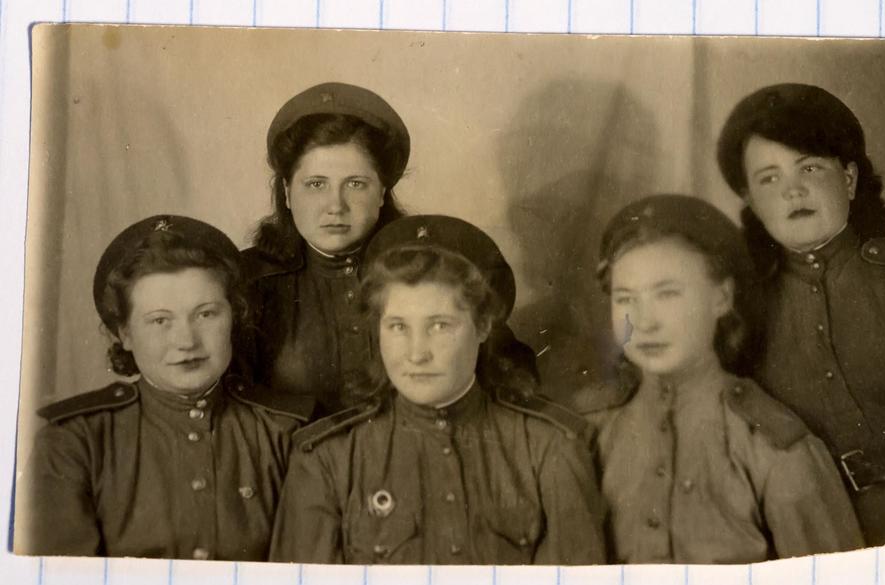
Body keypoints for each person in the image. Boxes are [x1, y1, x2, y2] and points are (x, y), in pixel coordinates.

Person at [270, 215, 606, 565]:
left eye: (440, 326)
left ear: (483, 326)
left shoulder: (550, 449)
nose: (417, 353)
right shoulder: (328, 459)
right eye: (398, 326)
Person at [716, 83, 885, 546]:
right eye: (769, 179)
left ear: (849, 180)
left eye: (809, 167)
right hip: (818, 538)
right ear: (752, 202)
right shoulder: (742, 312)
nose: (793, 190)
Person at [570, 195, 863, 564]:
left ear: (722, 297)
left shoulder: (774, 446)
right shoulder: (586, 434)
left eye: (668, 294)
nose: (644, 322)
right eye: (625, 299)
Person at [16, 215, 313, 560]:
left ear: (234, 316)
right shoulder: (75, 443)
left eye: (206, 314)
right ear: (124, 333)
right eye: (160, 320)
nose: (186, 341)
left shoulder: (285, 432)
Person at [243, 82, 536, 414]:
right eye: (316, 184)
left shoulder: (431, 268)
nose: (335, 205)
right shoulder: (250, 284)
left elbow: (508, 379)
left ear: (382, 192)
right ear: (286, 192)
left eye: (356, 184)